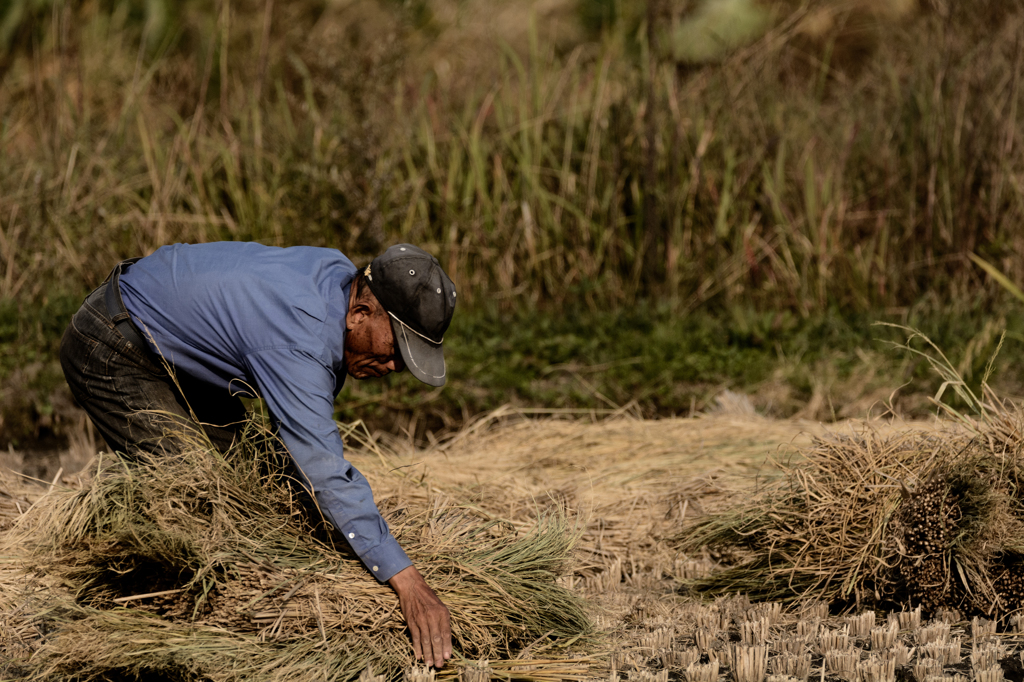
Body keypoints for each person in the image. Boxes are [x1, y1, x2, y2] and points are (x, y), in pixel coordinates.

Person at [59, 241, 456, 668]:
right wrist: (408, 582)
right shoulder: (298, 334)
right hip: (115, 341)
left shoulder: (340, 279)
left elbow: (300, 454)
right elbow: (322, 470)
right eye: (396, 347)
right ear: (360, 314)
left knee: (260, 484)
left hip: (169, 341)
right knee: (193, 500)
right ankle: (150, 641)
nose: (396, 367)